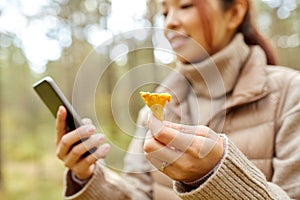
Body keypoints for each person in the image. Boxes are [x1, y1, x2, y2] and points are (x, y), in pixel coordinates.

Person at [55, 0, 300, 199]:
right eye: (164, 11)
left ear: (234, 12)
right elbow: (139, 194)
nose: (170, 22)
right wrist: (86, 177)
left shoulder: (290, 94)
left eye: (185, 6)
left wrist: (215, 176)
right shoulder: (157, 108)